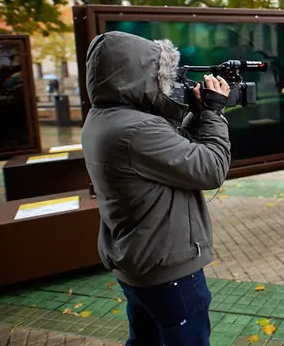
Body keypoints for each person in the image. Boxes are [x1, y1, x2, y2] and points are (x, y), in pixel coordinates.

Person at [81, 31, 232, 346]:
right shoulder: (138, 129)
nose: (165, 84)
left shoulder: (105, 118)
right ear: (137, 74)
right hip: (167, 269)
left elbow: (172, 153)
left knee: (144, 341)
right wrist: (214, 114)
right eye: (159, 75)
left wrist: (196, 112)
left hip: (139, 261)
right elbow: (211, 168)